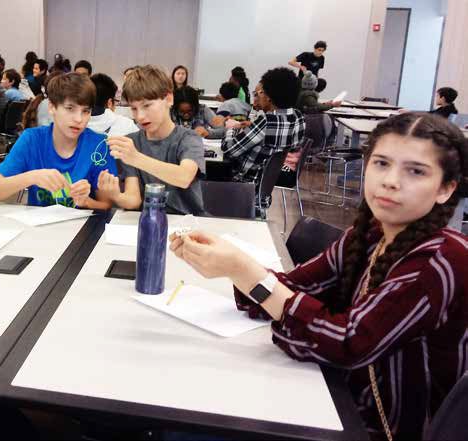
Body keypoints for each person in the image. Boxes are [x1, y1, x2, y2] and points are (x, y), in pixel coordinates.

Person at [170, 111, 467, 441]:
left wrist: (242, 269)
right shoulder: (368, 235)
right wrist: (232, 267)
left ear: (445, 189)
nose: (391, 180)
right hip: (332, 396)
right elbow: (291, 289)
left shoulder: (441, 259)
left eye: (415, 171)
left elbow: (346, 343)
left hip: (375, 427)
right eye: (381, 163)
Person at [0, 73, 117, 209]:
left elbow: (106, 205)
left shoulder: (99, 145)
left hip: (83, 227)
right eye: (70, 108)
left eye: (86, 111)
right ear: (52, 107)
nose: (79, 119)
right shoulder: (32, 139)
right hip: (39, 226)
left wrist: (86, 202)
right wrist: (32, 177)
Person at [99, 65, 205, 215]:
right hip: (146, 222)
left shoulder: (188, 138)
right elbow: (133, 199)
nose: (140, 116)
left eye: (147, 106)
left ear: (169, 99)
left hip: (188, 224)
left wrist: (135, 158)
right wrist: (115, 195)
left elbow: (184, 177)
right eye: (134, 109)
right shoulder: (132, 142)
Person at [222, 67, 305, 184]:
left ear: (269, 96)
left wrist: (231, 128)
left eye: (261, 92)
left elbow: (229, 150)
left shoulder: (266, 121)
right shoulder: (298, 116)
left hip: (248, 182)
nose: (258, 96)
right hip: (271, 180)